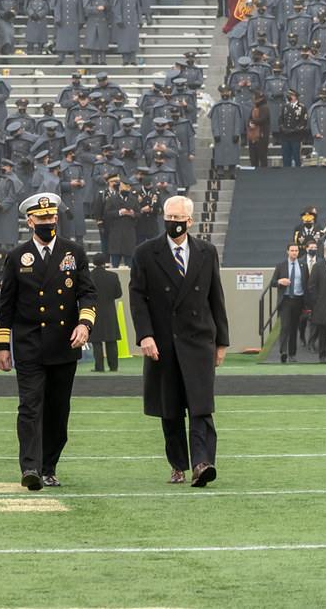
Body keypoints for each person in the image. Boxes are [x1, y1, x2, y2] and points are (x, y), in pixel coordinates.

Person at [0, 193, 96, 490]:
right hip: (28, 345)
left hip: (64, 345)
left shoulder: (73, 252)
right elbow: (6, 305)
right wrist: (3, 346)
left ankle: (49, 466)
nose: (48, 223)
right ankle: (31, 468)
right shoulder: (17, 257)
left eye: (52, 218)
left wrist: (85, 323)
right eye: (42, 219)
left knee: (57, 410)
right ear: (30, 221)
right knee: (29, 406)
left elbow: (87, 293)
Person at [129, 196, 229, 487]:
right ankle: (178, 465)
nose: (173, 222)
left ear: (190, 220)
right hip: (162, 342)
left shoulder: (206, 252)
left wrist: (221, 341)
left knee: (200, 406)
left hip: (199, 341)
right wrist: (145, 335)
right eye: (168, 217)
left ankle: (202, 463)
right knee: (169, 408)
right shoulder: (146, 253)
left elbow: (216, 298)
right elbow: (137, 298)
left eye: (178, 218)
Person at [272, 243, 309, 363]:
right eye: (292, 250)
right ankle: (283, 352)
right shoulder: (281, 265)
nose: (294, 253)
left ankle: (292, 354)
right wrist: (279, 281)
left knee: (294, 328)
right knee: (285, 326)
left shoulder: (303, 265)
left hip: (298, 300)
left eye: (296, 250)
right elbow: (272, 282)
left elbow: (306, 283)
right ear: (287, 251)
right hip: (286, 299)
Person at [89, 253, 123, 372]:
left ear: (93, 263)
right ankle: (113, 367)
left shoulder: (89, 276)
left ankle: (99, 367)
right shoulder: (113, 276)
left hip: (94, 311)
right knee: (111, 340)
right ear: (105, 262)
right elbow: (118, 294)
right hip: (109, 311)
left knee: (96, 341)